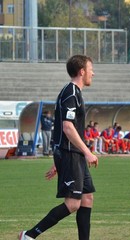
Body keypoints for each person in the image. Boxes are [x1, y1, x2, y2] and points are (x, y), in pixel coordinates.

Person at [19, 54, 98, 240]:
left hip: (72, 155)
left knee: (87, 199)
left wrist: (59, 161)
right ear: (82, 71)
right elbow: (67, 127)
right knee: (72, 204)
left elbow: (61, 128)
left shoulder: (74, 93)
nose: (93, 73)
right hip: (71, 153)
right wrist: (87, 152)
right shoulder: (70, 92)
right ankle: (29, 236)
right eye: (91, 69)